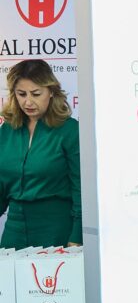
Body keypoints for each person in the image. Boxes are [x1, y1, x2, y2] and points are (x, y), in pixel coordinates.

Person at [0, 59, 80, 249]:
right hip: (14, 229)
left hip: (57, 229)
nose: (28, 101)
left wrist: (77, 235)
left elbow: (80, 188)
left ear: (51, 91)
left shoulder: (70, 130)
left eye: (36, 94)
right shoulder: (7, 129)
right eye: (21, 94)